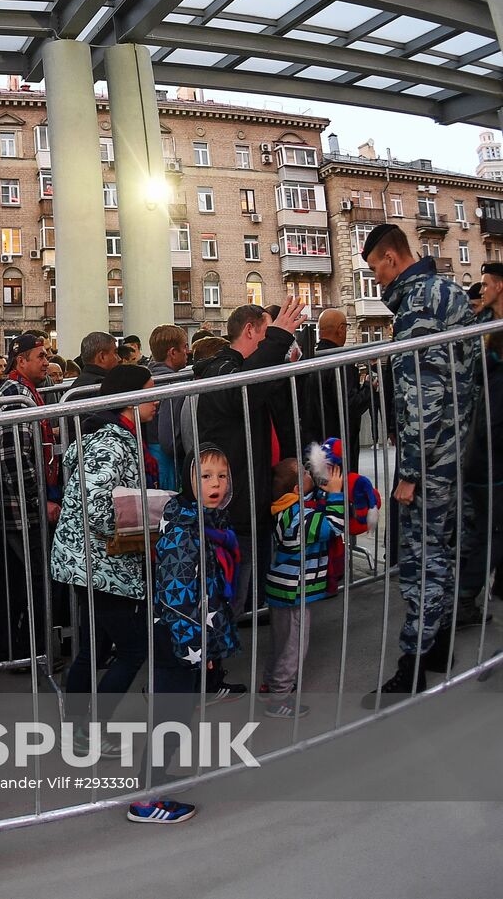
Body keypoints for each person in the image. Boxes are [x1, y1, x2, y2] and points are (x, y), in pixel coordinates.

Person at [360, 224, 479, 703]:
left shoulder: (418, 303)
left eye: (375, 270)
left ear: (391, 258)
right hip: (454, 450)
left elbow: (423, 396)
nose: (378, 281)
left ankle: (412, 666)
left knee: (421, 560)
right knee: (442, 552)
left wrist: (409, 471)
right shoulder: (449, 291)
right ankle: (440, 649)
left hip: (430, 460)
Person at [128, 446, 240, 825]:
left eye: (222, 476)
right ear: (190, 481)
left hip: (188, 639)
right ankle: (146, 799)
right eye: (205, 475)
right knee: (169, 715)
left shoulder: (207, 523)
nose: (215, 483)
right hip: (176, 639)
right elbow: (176, 597)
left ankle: (155, 782)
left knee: (178, 713)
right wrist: (194, 646)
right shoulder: (184, 529)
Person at [51, 365, 158, 755]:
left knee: (94, 649)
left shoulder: (116, 436)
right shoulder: (111, 442)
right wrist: (144, 519)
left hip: (93, 563)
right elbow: (95, 507)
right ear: (128, 399)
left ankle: (77, 729)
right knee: (131, 649)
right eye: (149, 391)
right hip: (99, 565)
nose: (156, 398)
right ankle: (91, 729)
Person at [193, 299, 307, 624]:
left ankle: (215, 668)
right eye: (266, 335)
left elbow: (267, 394)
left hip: (248, 502)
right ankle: (209, 671)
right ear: (250, 331)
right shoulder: (222, 371)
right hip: (233, 508)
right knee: (226, 600)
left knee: (237, 596)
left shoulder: (243, 371)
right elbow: (243, 392)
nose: (272, 344)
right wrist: (279, 339)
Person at [0, 333, 60, 665]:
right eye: (40, 356)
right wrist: (39, 501)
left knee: (12, 581)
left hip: (14, 508)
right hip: (19, 509)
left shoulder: (24, 391)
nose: (46, 361)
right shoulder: (15, 394)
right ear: (20, 361)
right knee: (38, 579)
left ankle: (6, 648)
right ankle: (36, 650)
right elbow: (13, 459)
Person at [260, 452, 344, 718]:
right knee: (294, 646)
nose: (311, 474)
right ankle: (279, 697)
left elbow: (312, 503)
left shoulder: (288, 508)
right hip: (295, 591)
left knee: (280, 642)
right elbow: (333, 526)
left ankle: (271, 683)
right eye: (306, 474)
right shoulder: (298, 519)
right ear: (297, 489)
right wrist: (337, 494)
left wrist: (322, 488)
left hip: (282, 589)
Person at [459, 263, 503, 618]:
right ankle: (464, 599)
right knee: (492, 528)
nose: (482, 289)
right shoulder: (483, 329)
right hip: (488, 439)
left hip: (490, 436)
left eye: (487, 284)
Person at [302, 309, 372, 466]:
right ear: (341, 329)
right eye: (346, 327)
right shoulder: (340, 362)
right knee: (340, 486)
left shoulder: (309, 360)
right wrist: (369, 388)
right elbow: (350, 404)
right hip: (338, 445)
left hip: (314, 442)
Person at [147, 324, 190, 490]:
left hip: (150, 457)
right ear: (172, 352)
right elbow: (169, 441)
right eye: (185, 346)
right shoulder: (174, 385)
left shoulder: (146, 380)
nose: (188, 351)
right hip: (167, 464)